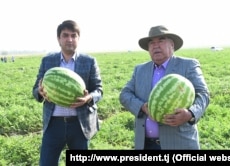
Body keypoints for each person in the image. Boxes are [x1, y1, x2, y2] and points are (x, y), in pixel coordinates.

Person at [119, 25, 210, 150]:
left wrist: (190, 113)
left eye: (161, 41)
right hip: (145, 145)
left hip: (179, 144)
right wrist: (142, 107)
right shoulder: (140, 70)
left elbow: (203, 94)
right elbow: (125, 94)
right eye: (151, 43)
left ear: (172, 45)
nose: (155, 46)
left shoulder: (188, 65)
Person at [32, 20, 103, 165]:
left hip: (79, 124)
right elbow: (35, 90)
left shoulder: (89, 61)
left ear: (78, 38)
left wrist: (88, 97)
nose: (69, 39)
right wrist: (40, 92)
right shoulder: (48, 61)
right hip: (53, 124)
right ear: (59, 39)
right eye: (65, 35)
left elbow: (99, 90)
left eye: (73, 35)